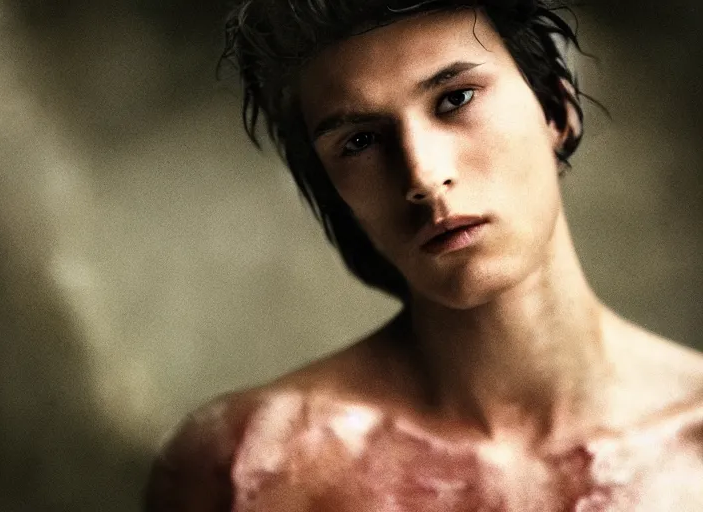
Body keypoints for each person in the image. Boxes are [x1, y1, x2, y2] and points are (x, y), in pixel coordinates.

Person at [144, 0, 703, 510]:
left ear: (556, 108)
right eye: (359, 141)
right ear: (331, 187)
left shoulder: (689, 441)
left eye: (455, 99)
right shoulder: (251, 464)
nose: (424, 176)